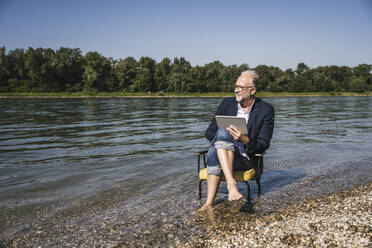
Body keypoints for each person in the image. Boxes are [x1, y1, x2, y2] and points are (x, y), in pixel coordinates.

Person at [201, 70, 274, 210]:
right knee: (221, 135)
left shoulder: (266, 110)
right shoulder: (226, 103)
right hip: (221, 155)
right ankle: (230, 186)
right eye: (236, 87)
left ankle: (208, 204)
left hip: (244, 159)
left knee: (215, 148)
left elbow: (263, 144)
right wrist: (225, 138)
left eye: (240, 88)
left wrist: (244, 139)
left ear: (252, 90)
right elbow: (209, 132)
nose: (236, 90)